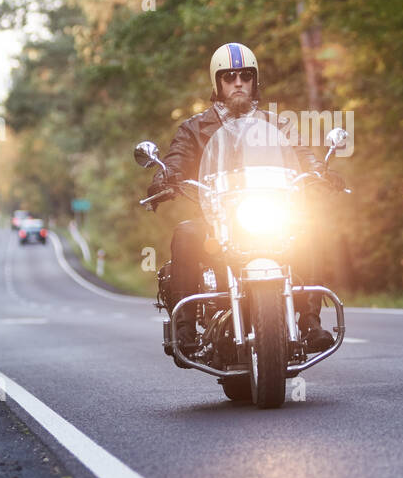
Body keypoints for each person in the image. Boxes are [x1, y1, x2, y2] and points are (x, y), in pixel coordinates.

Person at [145, 42, 344, 353]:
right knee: (186, 232)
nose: (238, 82)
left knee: (309, 228)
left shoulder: (276, 123)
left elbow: (302, 153)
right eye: (229, 76)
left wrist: (320, 170)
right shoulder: (195, 128)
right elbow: (176, 159)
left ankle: (309, 320)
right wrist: (163, 178)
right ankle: (184, 328)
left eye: (245, 76)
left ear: (254, 81)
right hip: (218, 222)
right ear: (217, 82)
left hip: (271, 213)